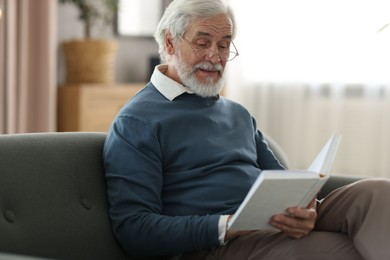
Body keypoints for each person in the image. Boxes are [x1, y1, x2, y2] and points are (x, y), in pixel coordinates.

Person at [103, 0, 390, 259]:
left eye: (224, 44)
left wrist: (307, 208)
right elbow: (134, 229)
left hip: (271, 220)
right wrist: (228, 226)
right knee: (342, 251)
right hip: (217, 244)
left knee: (378, 194)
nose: (215, 56)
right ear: (169, 43)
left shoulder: (237, 113)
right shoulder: (137, 122)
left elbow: (285, 182)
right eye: (202, 43)